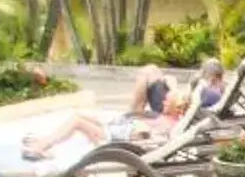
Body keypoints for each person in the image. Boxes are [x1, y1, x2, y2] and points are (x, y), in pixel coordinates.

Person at [21, 67, 178, 160]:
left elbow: (147, 135)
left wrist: (137, 128)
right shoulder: (168, 117)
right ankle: (44, 141)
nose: (162, 103)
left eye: (166, 102)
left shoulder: (167, 122)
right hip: (118, 130)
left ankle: (41, 146)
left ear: (175, 108)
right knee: (79, 116)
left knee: (77, 121)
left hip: (116, 137)